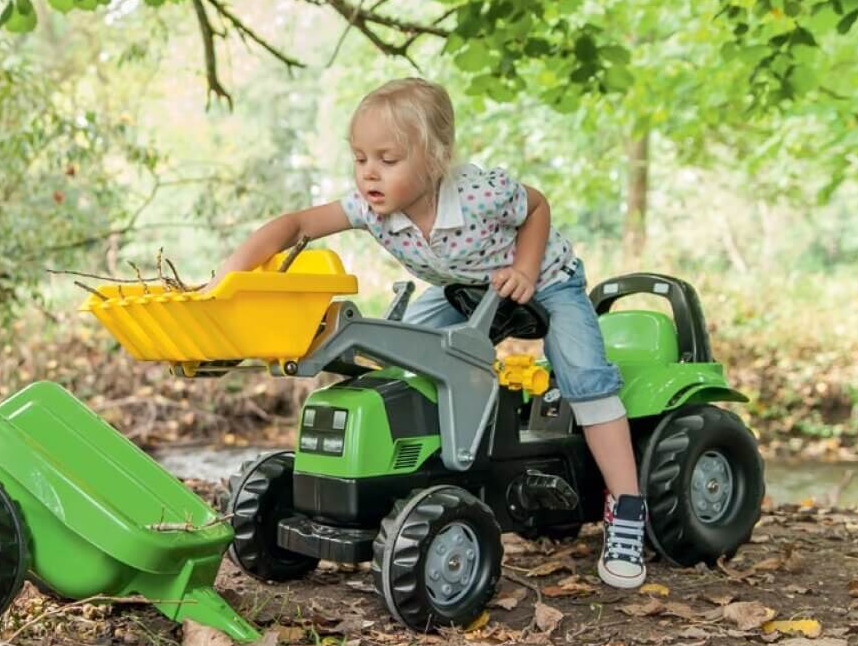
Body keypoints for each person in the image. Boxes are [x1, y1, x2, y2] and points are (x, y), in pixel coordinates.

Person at [209, 78, 647, 589]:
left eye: (388, 160)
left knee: (584, 378)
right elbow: (295, 224)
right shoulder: (369, 208)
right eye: (360, 158)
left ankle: (627, 511)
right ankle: (431, 470)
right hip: (465, 287)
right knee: (404, 353)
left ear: (435, 159)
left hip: (545, 280)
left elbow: (538, 207)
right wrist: (230, 278)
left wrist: (526, 269)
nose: (370, 173)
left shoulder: (482, 194)